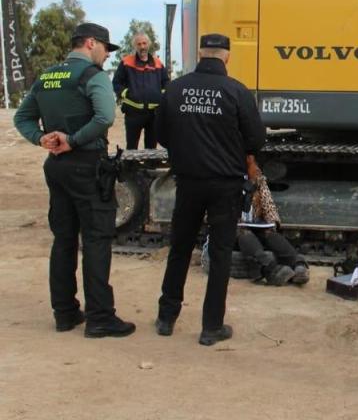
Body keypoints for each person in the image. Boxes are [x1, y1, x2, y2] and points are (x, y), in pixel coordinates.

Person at [13, 22, 136, 337]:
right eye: (105, 50)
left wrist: (42, 139)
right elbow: (105, 117)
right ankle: (100, 318)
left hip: (56, 166)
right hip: (87, 164)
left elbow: (22, 117)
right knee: (96, 239)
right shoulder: (92, 77)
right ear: (91, 43)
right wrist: (74, 140)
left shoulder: (46, 76)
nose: (106, 57)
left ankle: (65, 313)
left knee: (64, 239)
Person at [154, 33, 265, 346]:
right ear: (227, 56)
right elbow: (256, 138)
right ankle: (211, 326)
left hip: (188, 182)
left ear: (200, 53)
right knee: (219, 254)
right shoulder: (236, 91)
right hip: (225, 185)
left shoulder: (175, 88)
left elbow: (161, 133)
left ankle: (166, 317)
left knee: (179, 248)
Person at [112, 32, 169, 150]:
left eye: (144, 43)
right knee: (132, 146)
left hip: (154, 113)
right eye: (139, 44)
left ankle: (150, 167)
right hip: (133, 113)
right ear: (134, 46)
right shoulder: (126, 62)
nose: (142, 46)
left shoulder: (158, 63)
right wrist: (127, 93)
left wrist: (161, 95)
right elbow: (116, 83)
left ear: (149, 44)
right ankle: (132, 167)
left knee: (151, 146)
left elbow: (166, 82)